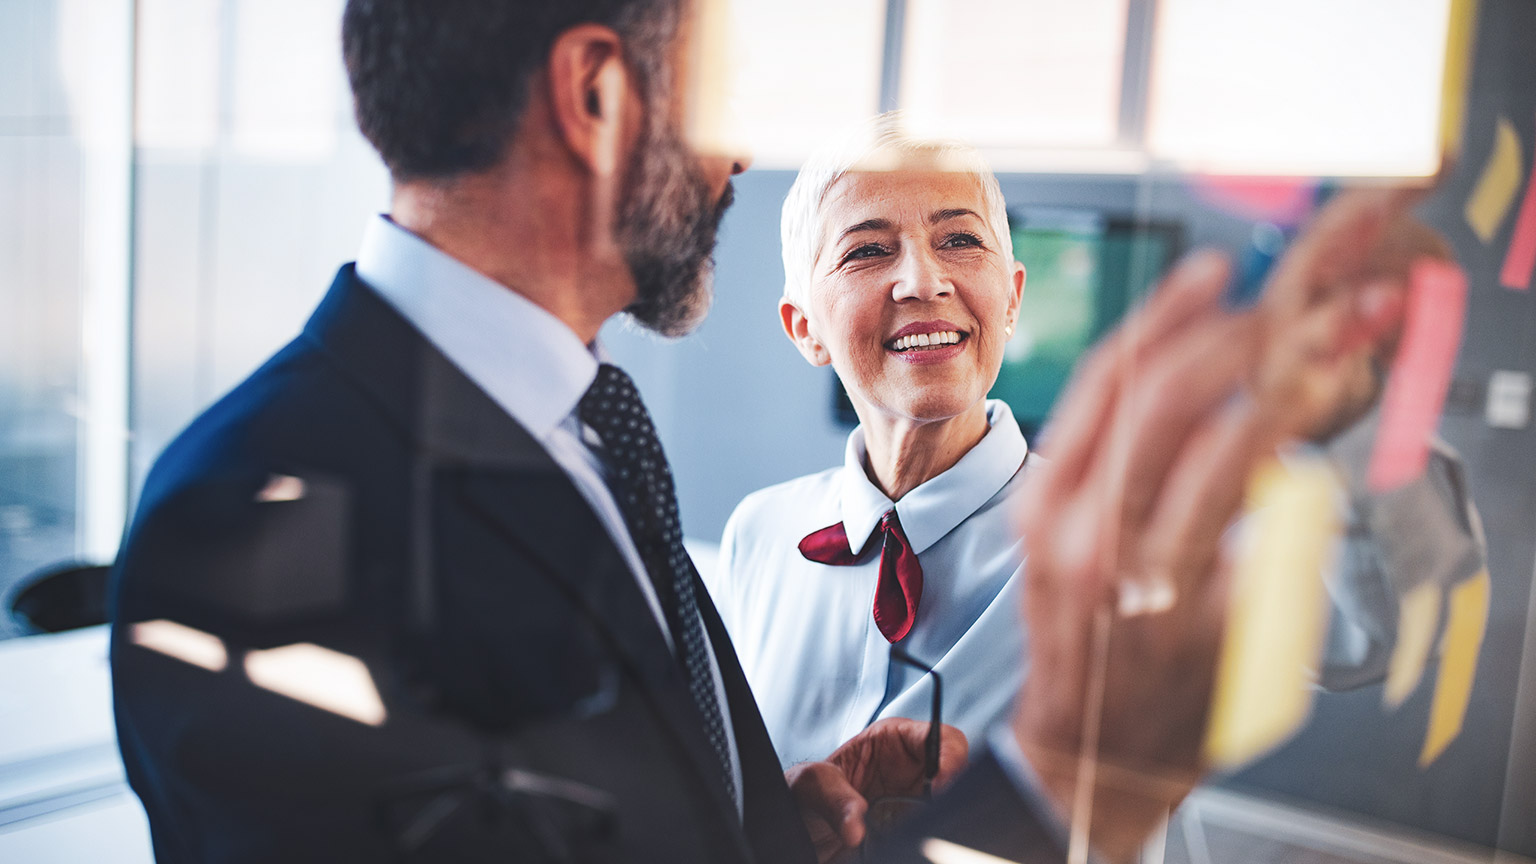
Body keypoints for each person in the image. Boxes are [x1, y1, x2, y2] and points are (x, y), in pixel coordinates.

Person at [104, 1, 1433, 862]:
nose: (740, 158)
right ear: (600, 97)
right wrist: (1067, 776)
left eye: (960, 239)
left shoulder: (592, 440)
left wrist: (758, 831)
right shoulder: (253, 533)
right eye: (727, 85)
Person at [706, 116, 1486, 767]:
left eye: (961, 242)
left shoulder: (1120, 533)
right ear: (804, 328)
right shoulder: (758, 536)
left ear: (1012, 299)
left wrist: (1346, 418)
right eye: (868, 250)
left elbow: (1371, 632)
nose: (923, 280)